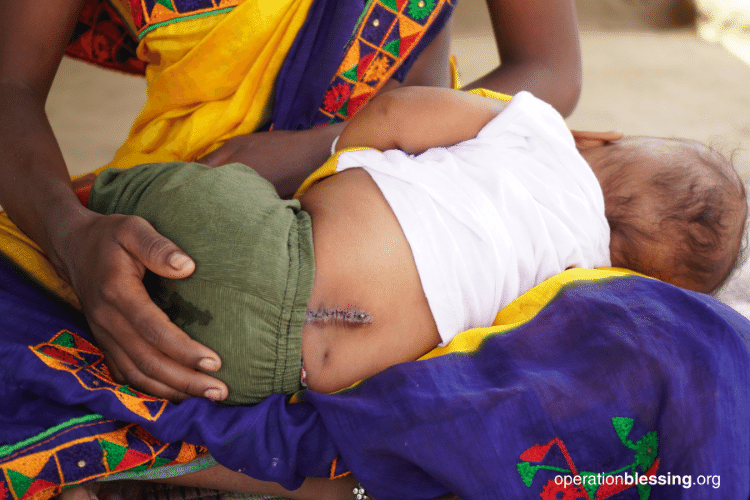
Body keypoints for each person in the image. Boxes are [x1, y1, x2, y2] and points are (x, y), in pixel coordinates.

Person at [0, 0, 584, 404]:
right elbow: (10, 86)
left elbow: (548, 67)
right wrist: (70, 235)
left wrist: (326, 147)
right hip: (182, 203)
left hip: (406, 190)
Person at [86, 86, 748, 404]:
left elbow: (397, 112)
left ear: (602, 139)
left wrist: (344, 166)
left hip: (273, 244)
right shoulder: (575, 291)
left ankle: (95, 205)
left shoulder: (541, 132)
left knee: (193, 189)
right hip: (276, 376)